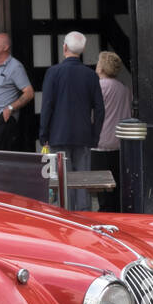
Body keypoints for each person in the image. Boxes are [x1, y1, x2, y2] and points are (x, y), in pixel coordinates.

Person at [39, 30, 105, 211]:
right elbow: (99, 109)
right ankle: (83, 214)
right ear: (82, 49)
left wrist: (43, 133)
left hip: (58, 134)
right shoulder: (91, 75)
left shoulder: (53, 72)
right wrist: (95, 134)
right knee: (82, 178)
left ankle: (65, 215)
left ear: (65, 47)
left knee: (63, 180)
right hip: (83, 134)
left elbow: (47, 106)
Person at [92, 51, 133, 212]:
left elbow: (92, 113)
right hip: (119, 142)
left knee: (102, 188)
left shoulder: (100, 87)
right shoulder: (124, 88)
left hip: (101, 142)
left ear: (102, 67)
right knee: (117, 185)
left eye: (98, 62)